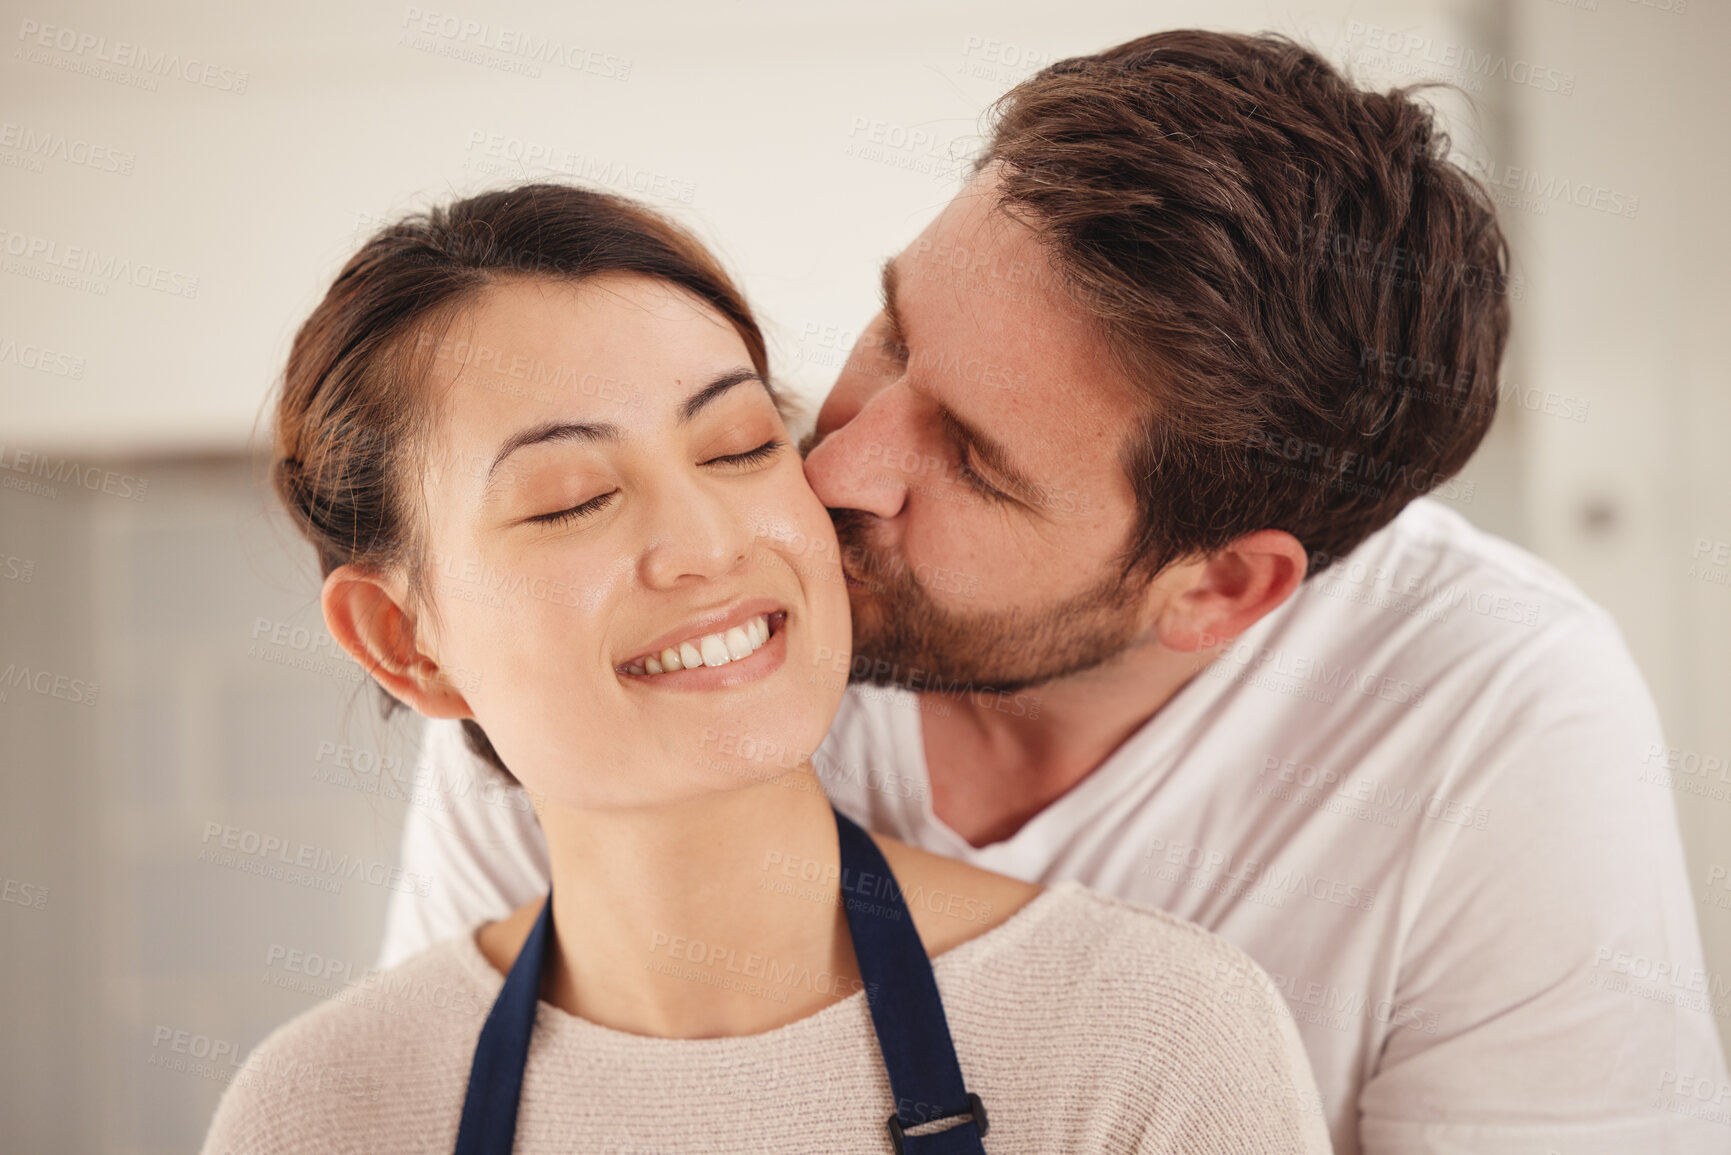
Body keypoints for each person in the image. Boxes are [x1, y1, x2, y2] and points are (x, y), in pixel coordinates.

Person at [378, 29, 1731, 1155]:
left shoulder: (1488, 715)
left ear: (1215, 589)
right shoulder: (639, 654)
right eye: (892, 331)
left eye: (971, 458)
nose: (837, 465)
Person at [199, 183, 1331, 1154]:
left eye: (741, 446)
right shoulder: (329, 1111)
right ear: (406, 642)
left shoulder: (1150, 1037)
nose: (709, 542)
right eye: (572, 498)